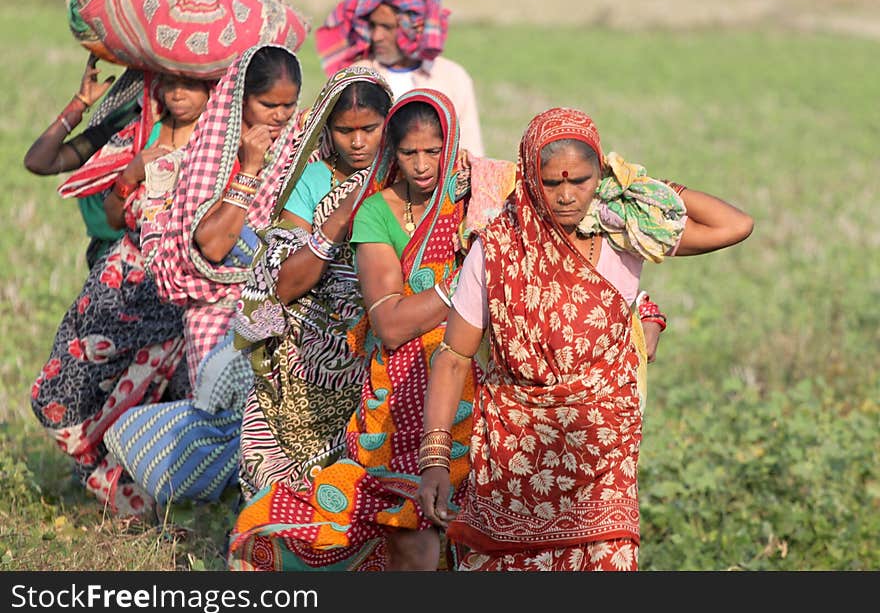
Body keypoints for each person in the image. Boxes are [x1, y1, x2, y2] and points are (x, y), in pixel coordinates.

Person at [416, 106, 754, 571]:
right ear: (531, 178)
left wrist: (645, 189)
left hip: (603, 465)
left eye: (582, 180)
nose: (568, 196)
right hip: (515, 463)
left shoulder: (623, 235)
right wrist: (434, 458)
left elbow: (735, 225)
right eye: (553, 183)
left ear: (601, 176)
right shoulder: (495, 250)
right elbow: (453, 357)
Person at [227, 88, 472, 571]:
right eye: (409, 152)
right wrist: (467, 287)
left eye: (432, 151)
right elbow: (389, 321)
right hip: (375, 376)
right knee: (400, 521)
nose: (422, 165)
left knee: (459, 519)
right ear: (394, 152)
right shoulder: (372, 207)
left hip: (463, 377)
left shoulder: (474, 198)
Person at [104, 44, 305, 511]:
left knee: (277, 428)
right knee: (230, 422)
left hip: (279, 304)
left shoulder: (298, 150)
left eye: (287, 106)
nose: (278, 117)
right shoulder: (212, 155)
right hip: (216, 312)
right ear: (240, 100)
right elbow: (212, 246)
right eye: (267, 105)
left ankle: (263, 527)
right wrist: (250, 171)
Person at [30, 72, 213, 517]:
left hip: (182, 296)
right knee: (62, 392)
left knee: (169, 399)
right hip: (119, 289)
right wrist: (132, 170)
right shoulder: (136, 130)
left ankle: (159, 506)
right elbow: (110, 214)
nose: (178, 94)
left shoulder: (222, 142)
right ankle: (111, 485)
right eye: (170, 83)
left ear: (214, 86)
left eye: (191, 83)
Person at [232, 66, 394, 502]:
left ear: (390, 123)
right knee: (267, 469)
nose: (358, 143)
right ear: (328, 127)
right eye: (345, 131)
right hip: (303, 353)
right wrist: (339, 218)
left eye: (370, 129)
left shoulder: (407, 177)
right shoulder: (315, 178)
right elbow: (283, 284)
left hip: (377, 345)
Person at [316, 0, 485, 156]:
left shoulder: (452, 77)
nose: (376, 36)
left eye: (387, 27)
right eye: (373, 26)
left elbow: (471, 150)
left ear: (412, 30)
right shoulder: (358, 75)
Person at [24, 53, 144, 267]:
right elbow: (39, 161)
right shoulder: (116, 131)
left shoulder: (198, 137)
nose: (174, 92)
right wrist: (79, 103)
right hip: (109, 264)